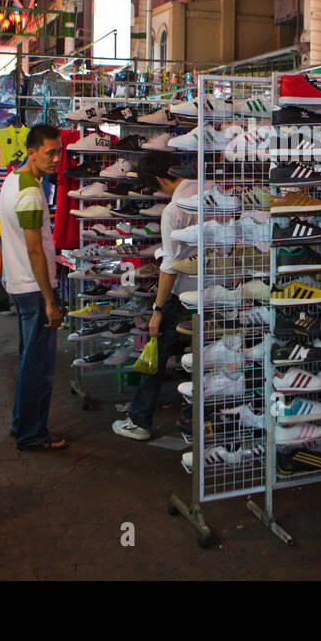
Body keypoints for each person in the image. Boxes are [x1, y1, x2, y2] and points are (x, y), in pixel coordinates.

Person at [113, 150, 195, 441]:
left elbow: (171, 267)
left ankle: (140, 420)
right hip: (218, 291)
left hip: (184, 294)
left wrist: (157, 309)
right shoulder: (210, 189)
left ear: (161, 179)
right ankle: (196, 421)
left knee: (156, 354)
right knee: (205, 360)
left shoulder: (174, 211)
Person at [0, 123, 67, 452]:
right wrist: (50, 299)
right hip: (32, 287)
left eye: (59, 152)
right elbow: (34, 249)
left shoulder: (14, 181)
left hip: (19, 282)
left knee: (29, 360)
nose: (56, 159)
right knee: (37, 366)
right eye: (50, 153)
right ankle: (32, 434)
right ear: (32, 153)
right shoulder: (28, 192)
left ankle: (21, 424)